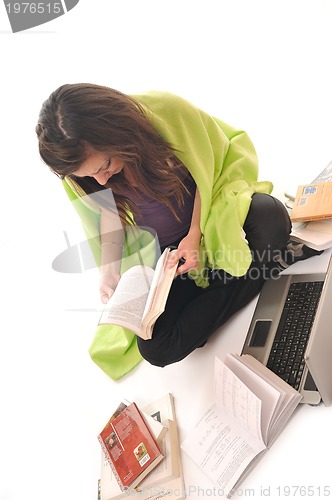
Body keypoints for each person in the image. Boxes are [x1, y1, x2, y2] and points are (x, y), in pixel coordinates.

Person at [36, 83, 320, 370]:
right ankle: (266, 266)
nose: (100, 180)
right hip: (171, 259)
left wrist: (195, 234)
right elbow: (108, 216)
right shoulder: (82, 173)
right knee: (156, 347)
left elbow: (207, 171)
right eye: (90, 175)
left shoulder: (165, 114)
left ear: (117, 134)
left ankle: (219, 287)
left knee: (270, 216)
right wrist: (109, 270)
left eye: (105, 165)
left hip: (211, 221)